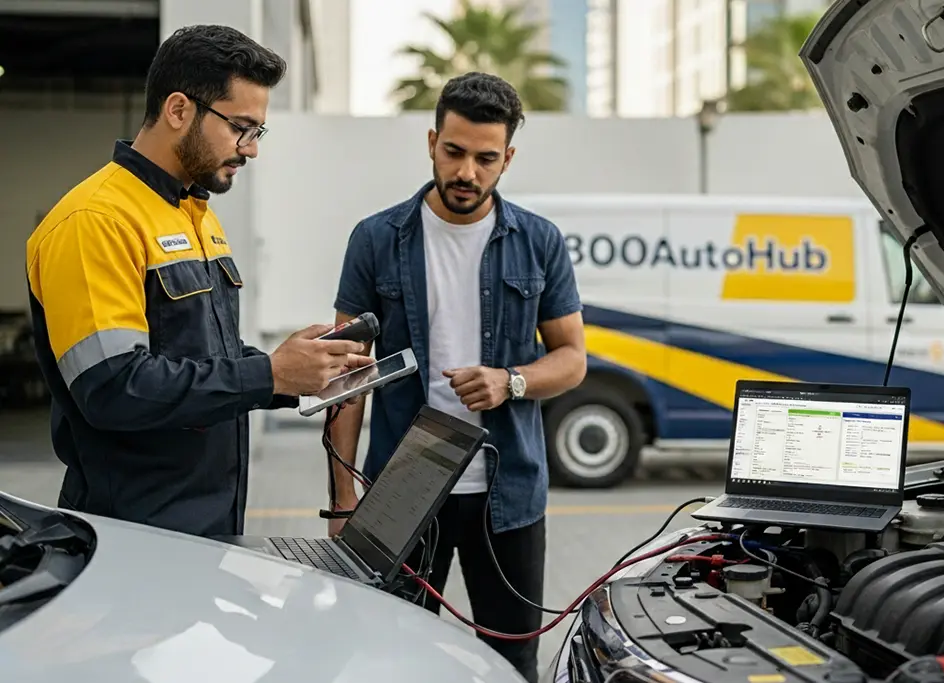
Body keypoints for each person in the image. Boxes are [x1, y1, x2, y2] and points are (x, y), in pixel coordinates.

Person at [24, 24, 371, 539]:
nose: (251, 149)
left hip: (202, 528)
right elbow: (114, 388)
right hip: (133, 538)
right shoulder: (95, 221)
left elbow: (197, 360)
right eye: (241, 128)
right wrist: (268, 376)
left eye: (258, 132)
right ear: (179, 110)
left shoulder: (195, 212)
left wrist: (297, 375)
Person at [327, 72, 587, 681]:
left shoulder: (539, 242)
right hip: (403, 488)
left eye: (485, 158)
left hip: (509, 492)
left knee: (514, 657)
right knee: (391, 656)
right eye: (454, 152)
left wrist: (510, 382)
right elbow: (346, 375)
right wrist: (342, 499)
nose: (467, 171)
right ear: (431, 142)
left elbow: (572, 358)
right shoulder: (376, 239)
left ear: (508, 158)